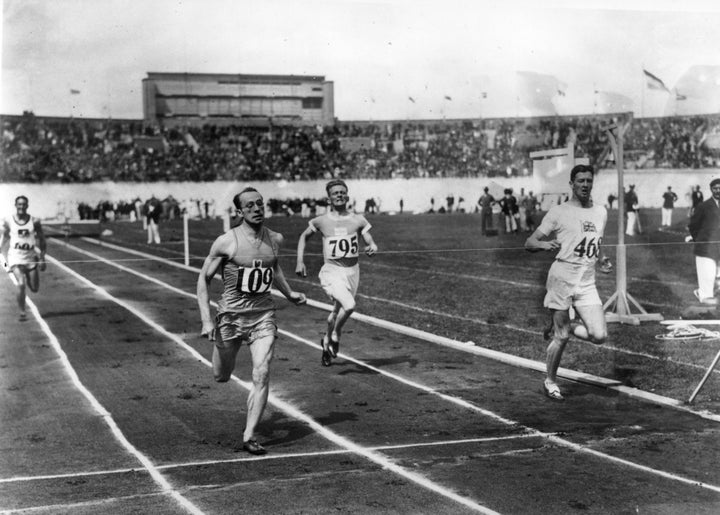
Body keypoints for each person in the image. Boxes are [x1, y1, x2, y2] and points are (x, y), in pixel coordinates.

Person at [197, 187, 306, 455]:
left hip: (262, 316)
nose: (257, 208)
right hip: (231, 318)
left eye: (260, 203)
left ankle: (249, 435)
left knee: (262, 371)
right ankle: (223, 359)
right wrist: (206, 321)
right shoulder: (226, 241)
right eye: (250, 205)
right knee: (221, 375)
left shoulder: (274, 238)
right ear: (239, 212)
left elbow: (273, 265)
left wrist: (289, 293)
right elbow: (203, 279)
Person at [525, 164, 611, 401]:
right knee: (561, 337)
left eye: (588, 181)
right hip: (562, 278)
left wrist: (602, 259)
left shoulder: (601, 211)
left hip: (586, 281)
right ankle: (550, 381)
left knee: (599, 335)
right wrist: (545, 245)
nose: (585, 185)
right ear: (571, 184)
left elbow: (596, 241)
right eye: (580, 181)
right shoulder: (559, 212)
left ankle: (566, 326)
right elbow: (530, 242)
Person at [296, 179, 378, 366]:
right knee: (349, 306)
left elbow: (368, 239)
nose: (339, 195)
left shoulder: (358, 219)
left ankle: (325, 343)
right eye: (335, 193)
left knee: (336, 311)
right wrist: (300, 261)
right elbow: (303, 237)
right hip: (332, 272)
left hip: (352, 272)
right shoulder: (322, 220)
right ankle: (336, 334)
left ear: (347, 196)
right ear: (329, 198)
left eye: (342, 192)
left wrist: (372, 245)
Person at [0, 196, 47, 321]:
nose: (21, 207)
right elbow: (4, 236)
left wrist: (42, 258)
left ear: (27, 205)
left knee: (35, 289)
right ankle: (22, 312)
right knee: (21, 284)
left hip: (30, 258)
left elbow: (42, 239)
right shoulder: (9, 220)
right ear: (15, 205)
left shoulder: (35, 221)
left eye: (24, 204)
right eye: (19, 204)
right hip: (15, 257)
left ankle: (31, 277)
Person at [687, 178, 720, 305]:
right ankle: (705, 299)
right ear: (711, 190)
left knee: (718, 279)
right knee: (707, 276)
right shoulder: (703, 206)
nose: (718, 190)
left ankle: (711, 300)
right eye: (715, 188)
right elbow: (693, 226)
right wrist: (700, 240)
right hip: (706, 248)